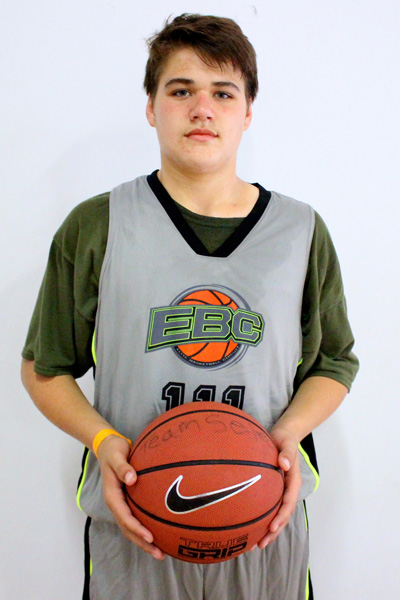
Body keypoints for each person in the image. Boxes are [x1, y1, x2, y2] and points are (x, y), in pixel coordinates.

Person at [21, 13, 358, 600]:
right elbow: (44, 368)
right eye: (181, 91)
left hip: (265, 532)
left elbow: (334, 363)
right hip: (137, 529)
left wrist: (288, 432)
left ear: (247, 113)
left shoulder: (301, 231)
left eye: (223, 93)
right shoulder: (97, 225)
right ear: (151, 107)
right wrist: (103, 441)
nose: (202, 109)